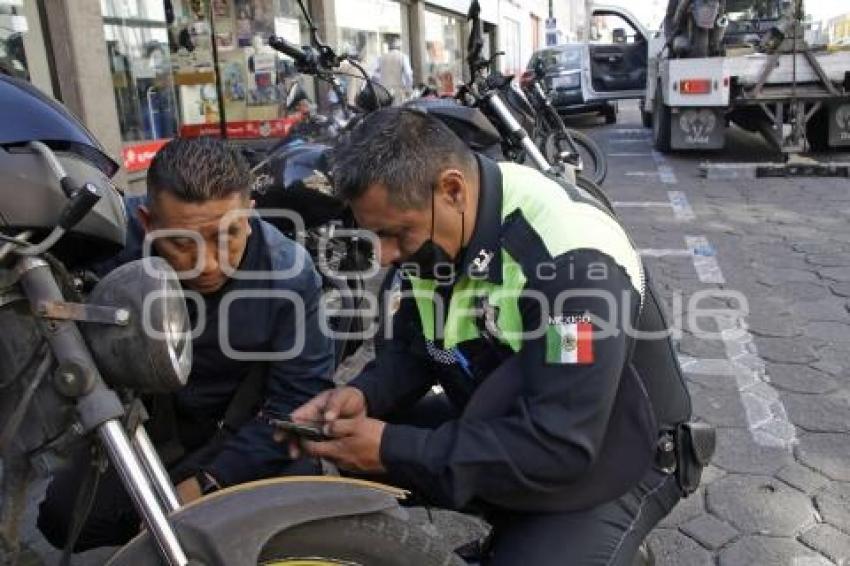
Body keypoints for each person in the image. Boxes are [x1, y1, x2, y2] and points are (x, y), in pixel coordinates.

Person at [289, 107, 703, 565]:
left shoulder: (573, 267)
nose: (384, 256)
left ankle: (594, 541)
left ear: (452, 190)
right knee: (334, 441)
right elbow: (415, 349)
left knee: (385, 449)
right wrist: (364, 394)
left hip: (615, 451)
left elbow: (559, 444)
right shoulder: (443, 227)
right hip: (511, 412)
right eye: (374, 236)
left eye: (396, 234)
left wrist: (390, 448)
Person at [38, 137, 335, 551]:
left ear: (249, 214)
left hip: (249, 438)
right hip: (152, 433)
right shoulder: (112, 242)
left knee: (290, 531)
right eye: (182, 243)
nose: (209, 262)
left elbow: (298, 403)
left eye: (228, 235)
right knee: (61, 519)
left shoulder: (290, 274)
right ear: (148, 222)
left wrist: (206, 486)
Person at [372, 38, 412, 104]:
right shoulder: (403, 57)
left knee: (385, 111)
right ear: (399, 47)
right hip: (397, 90)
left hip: (383, 89)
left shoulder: (381, 57)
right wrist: (408, 89)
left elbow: (373, 73)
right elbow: (408, 74)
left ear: (389, 47)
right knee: (396, 111)